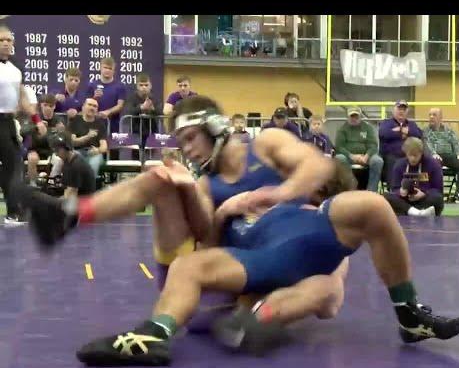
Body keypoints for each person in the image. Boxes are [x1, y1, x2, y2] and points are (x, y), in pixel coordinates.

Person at [14, 95, 350, 342]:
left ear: (216, 127)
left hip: (261, 282)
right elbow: (209, 241)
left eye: (190, 139)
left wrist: (276, 196)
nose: (187, 150)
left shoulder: (267, 145)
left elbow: (316, 166)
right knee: (164, 178)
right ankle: (67, 214)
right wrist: (214, 206)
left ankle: (256, 318)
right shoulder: (207, 184)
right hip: (213, 278)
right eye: (181, 142)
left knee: (329, 286)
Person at [74, 173, 459, 366]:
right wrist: (226, 211)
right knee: (188, 265)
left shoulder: (307, 209)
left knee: (371, 206)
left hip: (308, 243)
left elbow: (330, 296)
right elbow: (207, 242)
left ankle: (409, 312)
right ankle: (154, 334)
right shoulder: (232, 214)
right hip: (255, 261)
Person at [0, 24, 46, 225]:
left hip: (9, 122)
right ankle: (13, 211)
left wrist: (37, 120)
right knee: (11, 166)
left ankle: (13, 212)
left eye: (8, 40)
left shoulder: (16, 69)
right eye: (1, 40)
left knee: (14, 165)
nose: (5, 44)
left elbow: (23, 99)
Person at [383, 137, 444, 217]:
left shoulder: (433, 164)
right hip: (405, 200)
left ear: (421, 153)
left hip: (424, 199)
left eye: (416, 155)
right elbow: (394, 188)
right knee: (386, 196)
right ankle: (416, 212)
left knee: (437, 198)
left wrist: (424, 194)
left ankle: (408, 211)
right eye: (410, 155)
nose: (413, 158)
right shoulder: (399, 165)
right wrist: (401, 192)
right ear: (406, 153)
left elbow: (438, 189)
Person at [422, 107, 459, 203]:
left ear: (441, 118)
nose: (431, 117)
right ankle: (437, 194)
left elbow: (456, 143)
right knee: (435, 163)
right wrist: (433, 154)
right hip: (435, 156)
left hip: (449, 155)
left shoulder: (449, 130)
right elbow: (426, 144)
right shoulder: (425, 131)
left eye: (434, 115)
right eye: (430, 115)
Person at [334, 107, 383, 191]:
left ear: (360, 117)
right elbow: (339, 146)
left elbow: (373, 145)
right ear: (348, 117)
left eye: (356, 116)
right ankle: (349, 188)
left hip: (365, 156)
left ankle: (371, 191)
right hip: (348, 157)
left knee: (378, 161)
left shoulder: (368, 128)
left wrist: (366, 156)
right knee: (339, 158)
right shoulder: (342, 129)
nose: (354, 119)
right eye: (352, 116)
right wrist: (351, 156)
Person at [378, 100, 422, 184]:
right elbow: (384, 133)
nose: (401, 111)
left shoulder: (411, 124)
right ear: (393, 110)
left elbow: (418, 134)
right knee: (393, 160)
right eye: (399, 109)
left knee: (422, 159)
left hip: (409, 155)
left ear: (407, 112)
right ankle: (394, 189)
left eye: (404, 110)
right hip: (392, 155)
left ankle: (422, 187)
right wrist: (402, 131)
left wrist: (405, 132)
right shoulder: (386, 123)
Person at [49, 131, 96, 197]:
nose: (56, 154)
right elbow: (67, 189)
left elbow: (71, 194)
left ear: (67, 148)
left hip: (84, 202)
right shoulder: (67, 161)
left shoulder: (76, 165)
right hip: (76, 198)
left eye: (57, 150)